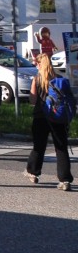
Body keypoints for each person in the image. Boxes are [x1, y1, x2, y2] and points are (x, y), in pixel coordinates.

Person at [23, 53, 73, 191]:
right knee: (61, 148)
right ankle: (65, 179)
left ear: (39, 64)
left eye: (35, 63)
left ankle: (33, 172)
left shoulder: (37, 79)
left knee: (39, 146)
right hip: (59, 118)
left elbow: (33, 101)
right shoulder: (59, 79)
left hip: (41, 117)